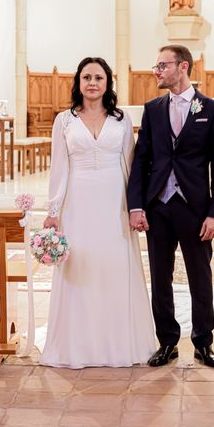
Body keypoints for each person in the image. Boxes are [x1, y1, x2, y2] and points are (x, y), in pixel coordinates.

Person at [40, 57, 156, 368]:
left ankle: (119, 343)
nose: (93, 83)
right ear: (78, 82)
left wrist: (136, 206)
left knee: (113, 265)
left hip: (113, 202)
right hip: (77, 202)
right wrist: (54, 209)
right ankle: (77, 346)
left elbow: (131, 166)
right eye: (87, 77)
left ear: (108, 84)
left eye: (99, 78)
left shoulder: (121, 119)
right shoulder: (64, 121)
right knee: (81, 266)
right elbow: (59, 167)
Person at [127, 45, 214, 368]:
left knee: (200, 277)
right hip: (159, 206)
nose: (156, 71)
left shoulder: (211, 110)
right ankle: (167, 342)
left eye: (162, 65)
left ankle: (203, 342)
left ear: (182, 66)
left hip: (195, 208)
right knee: (160, 277)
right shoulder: (153, 109)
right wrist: (136, 206)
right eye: (156, 65)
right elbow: (140, 160)